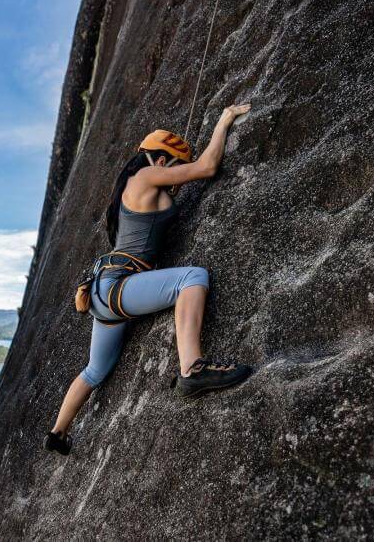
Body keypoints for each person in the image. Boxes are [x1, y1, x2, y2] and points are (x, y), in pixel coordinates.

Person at [44, 104, 254, 456]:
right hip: (118, 287)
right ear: (159, 160)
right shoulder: (143, 177)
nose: (174, 175)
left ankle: (58, 432)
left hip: (104, 292)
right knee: (193, 277)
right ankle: (192, 368)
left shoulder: (138, 186)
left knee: (96, 369)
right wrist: (224, 120)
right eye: (172, 165)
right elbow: (206, 167)